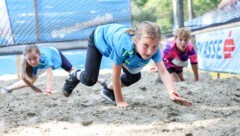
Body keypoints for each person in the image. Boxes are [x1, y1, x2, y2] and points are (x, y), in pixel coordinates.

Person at [62, 21, 192, 108]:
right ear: (136, 40)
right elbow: (116, 74)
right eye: (145, 46)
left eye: (154, 47)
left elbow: (163, 72)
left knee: (134, 76)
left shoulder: (155, 50)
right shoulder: (123, 45)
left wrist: (171, 92)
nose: (149, 51)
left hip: (117, 44)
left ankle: (108, 89)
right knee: (90, 80)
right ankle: (75, 74)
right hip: (99, 39)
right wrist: (120, 101)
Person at [1, 44, 75, 94]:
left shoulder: (45, 58)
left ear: (39, 55)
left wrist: (48, 90)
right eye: (29, 59)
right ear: (26, 58)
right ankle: (8, 88)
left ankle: (84, 77)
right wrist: (35, 89)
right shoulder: (26, 64)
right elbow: (25, 80)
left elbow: (49, 74)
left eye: (35, 58)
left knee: (72, 70)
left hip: (55, 54)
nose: (32, 61)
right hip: (40, 63)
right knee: (30, 81)